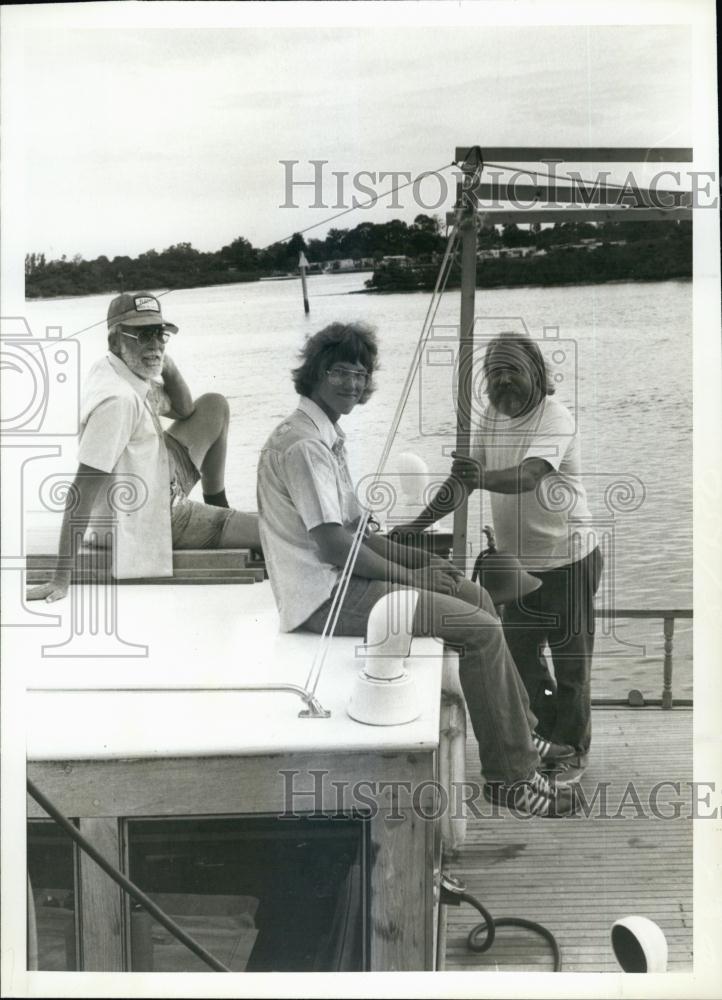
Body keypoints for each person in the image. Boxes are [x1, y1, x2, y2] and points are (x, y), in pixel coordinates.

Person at [256, 320, 578, 818]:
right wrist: (414, 576)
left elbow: (359, 535)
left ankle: (520, 737)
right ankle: (512, 778)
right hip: (326, 598)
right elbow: (336, 547)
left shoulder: (324, 436)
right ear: (316, 373)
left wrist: (423, 557)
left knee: (476, 597)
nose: (353, 384)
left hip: (346, 582)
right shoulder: (304, 445)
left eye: (361, 375)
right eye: (341, 372)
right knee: (481, 631)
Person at [398, 330, 603, 785]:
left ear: (537, 372)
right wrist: (414, 527)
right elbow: (461, 484)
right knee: (518, 656)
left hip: (569, 558)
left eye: (513, 370)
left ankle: (573, 750)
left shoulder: (556, 416)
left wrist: (480, 477)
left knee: (572, 664)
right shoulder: (488, 418)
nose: (504, 381)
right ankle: (550, 733)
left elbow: (531, 476)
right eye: (495, 373)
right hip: (517, 567)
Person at [27, 291, 260, 602]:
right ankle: (219, 522)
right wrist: (60, 578)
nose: (155, 344)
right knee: (274, 530)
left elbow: (185, 410)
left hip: (155, 474)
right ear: (115, 341)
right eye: (141, 334)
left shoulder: (122, 368)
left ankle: (219, 507)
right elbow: (81, 489)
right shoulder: (117, 402)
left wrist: (169, 368)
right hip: (149, 517)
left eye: (160, 334)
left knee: (214, 406)